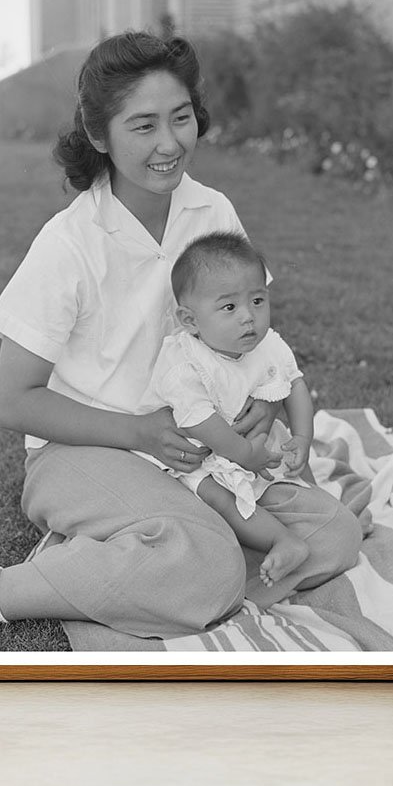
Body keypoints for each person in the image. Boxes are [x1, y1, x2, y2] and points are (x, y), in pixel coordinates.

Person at [0, 31, 362, 649]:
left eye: (181, 119)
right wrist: (135, 432)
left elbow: (249, 329)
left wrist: (260, 403)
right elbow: (13, 401)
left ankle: (151, 564)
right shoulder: (69, 242)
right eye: (143, 125)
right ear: (100, 136)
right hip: (83, 450)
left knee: (334, 534)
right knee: (208, 565)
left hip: (201, 451)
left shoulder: (213, 211)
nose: (168, 144)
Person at [141, 230, 317, 589]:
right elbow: (200, 421)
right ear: (190, 320)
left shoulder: (267, 345)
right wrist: (243, 455)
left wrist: (302, 436)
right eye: (229, 307)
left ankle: (321, 504)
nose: (248, 318)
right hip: (197, 451)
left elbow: (294, 384)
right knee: (217, 496)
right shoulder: (183, 362)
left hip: (248, 443)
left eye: (257, 300)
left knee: (297, 466)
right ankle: (281, 540)